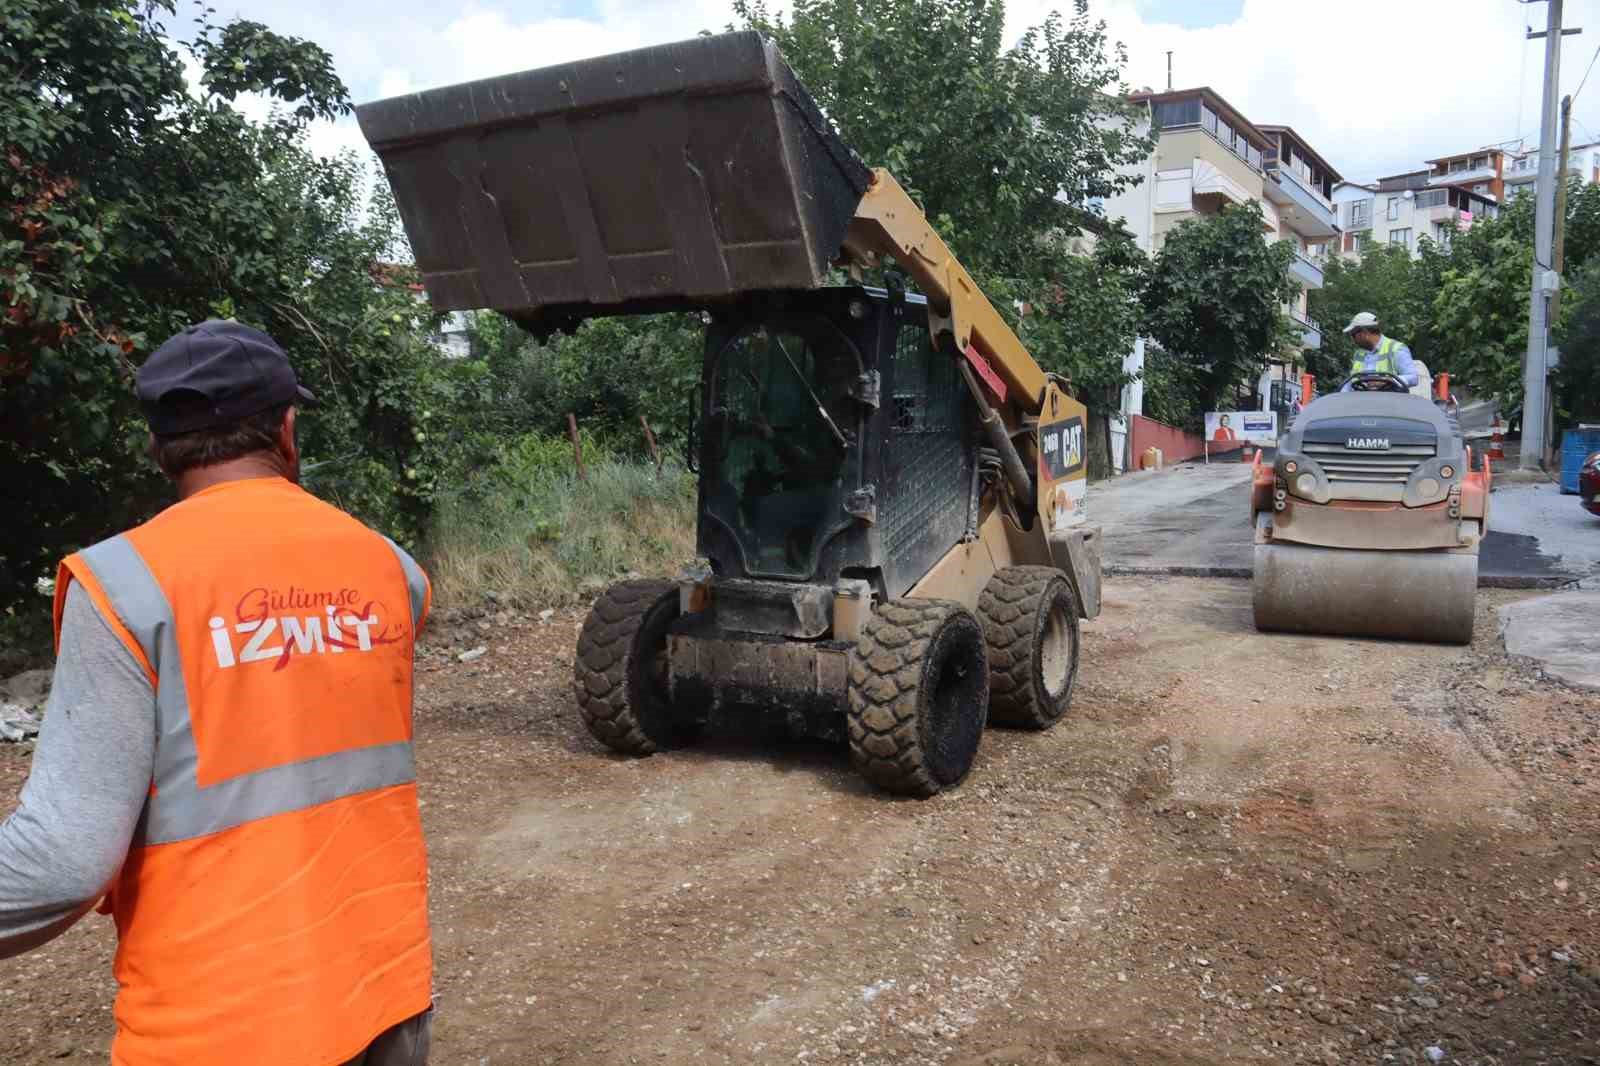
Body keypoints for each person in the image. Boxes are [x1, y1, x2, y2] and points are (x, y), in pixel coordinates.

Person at [0, 320, 434, 1065]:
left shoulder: (126, 587)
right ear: (287, 430)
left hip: (221, 1027)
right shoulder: (389, 568)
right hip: (386, 997)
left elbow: (65, 860)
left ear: (157, 448)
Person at [1340, 311, 1419, 389]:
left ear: (1365, 333)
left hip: (1390, 400)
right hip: (1362, 400)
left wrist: (1387, 381)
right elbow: (1350, 383)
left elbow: (1413, 378)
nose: (1352, 340)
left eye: (1353, 335)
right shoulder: (1358, 354)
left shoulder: (1396, 349)